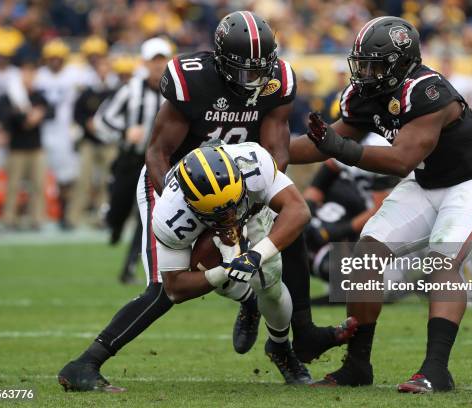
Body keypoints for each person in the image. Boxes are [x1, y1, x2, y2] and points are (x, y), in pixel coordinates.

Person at [57, 11, 354, 393]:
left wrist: (248, 206)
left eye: (261, 69)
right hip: (176, 187)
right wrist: (188, 203)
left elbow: (277, 153)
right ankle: (85, 364)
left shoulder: (277, 80)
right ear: (222, 62)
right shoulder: (193, 79)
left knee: (285, 240)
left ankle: (291, 340)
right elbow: (157, 152)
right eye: (246, 71)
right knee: (164, 289)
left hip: (239, 181)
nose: (257, 79)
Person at [290, 16, 472, 392]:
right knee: (365, 256)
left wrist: (336, 146)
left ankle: (435, 370)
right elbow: (321, 143)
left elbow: (399, 160)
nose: (366, 72)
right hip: (426, 182)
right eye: (362, 63)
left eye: (376, 65)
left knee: (442, 262)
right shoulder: (364, 94)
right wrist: (262, 152)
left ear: (402, 64)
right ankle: (357, 366)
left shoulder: (428, 90)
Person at [94, 37, 172, 283]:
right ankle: (114, 224)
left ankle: (129, 267)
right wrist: (123, 133)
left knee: (147, 216)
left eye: (162, 60)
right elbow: (102, 119)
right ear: (144, 63)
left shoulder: (175, 92)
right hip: (130, 158)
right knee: (118, 209)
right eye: (154, 60)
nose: (158, 66)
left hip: (158, 161)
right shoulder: (130, 90)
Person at [33, 39, 81, 230]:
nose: (55, 61)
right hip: (43, 132)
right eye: (51, 58)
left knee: (66, 177)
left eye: (58, 58)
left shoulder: (74, 75)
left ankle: (64, 214)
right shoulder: (40, 76)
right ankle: (38, 217)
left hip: (64, 132)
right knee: (39, 177)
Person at [68, 57, 118, 228]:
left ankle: (102, 217)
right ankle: (73, 217)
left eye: (106, 66)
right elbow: (76, 114)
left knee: (107, 181)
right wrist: (86, 123)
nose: (103, 70)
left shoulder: (115, 91)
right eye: (101, 67)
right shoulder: (87, 92)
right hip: (89, 141)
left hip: (109, 141)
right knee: (83, 179)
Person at [1, 64, 52, 230]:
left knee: (37, 185)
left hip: (36, 147)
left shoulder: (38, 95)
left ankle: (36, 218)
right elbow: (6, 116)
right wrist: (27, 117)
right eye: (26, 73)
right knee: (13, 185)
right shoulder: (13, 95)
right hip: (16, 147)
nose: (29, 77)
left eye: (32, 73)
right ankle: (9, 218)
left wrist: (40, 114)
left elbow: (52, 111)